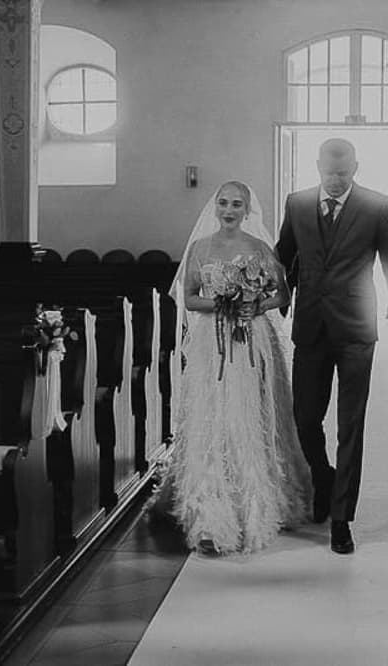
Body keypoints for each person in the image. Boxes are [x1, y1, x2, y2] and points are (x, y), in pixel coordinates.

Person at [151, 181, 311, 555]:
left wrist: (255, 305)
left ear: (246, 210)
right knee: (213, 416)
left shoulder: (258, 248)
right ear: (215, 207)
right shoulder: (199, 248)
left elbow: (283, 294)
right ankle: (210, 514)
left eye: (236, 204)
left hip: (252, 340)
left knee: (248, 416)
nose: (229, 210)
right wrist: (220, 304)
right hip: (212, 342)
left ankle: (256, 505)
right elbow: (189, 298)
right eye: (223, 203)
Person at [276, 138, 388, 555]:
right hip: (311, 327)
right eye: (329, 172)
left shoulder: (376, 205)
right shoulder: (297, 203)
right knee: (305, 419)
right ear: (317, 166)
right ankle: (323, 477)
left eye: (343, 172)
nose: (336, 180)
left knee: (350, 426)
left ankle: (341, 518)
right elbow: (282, 257)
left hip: (357, 329)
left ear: (355, 168)